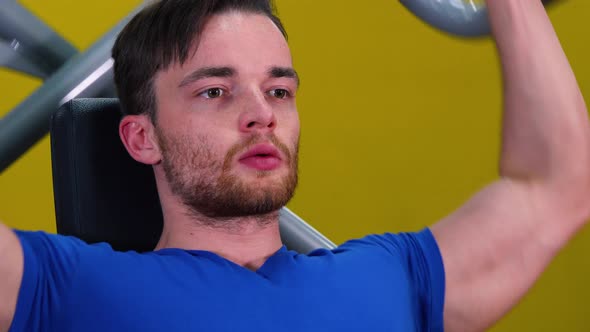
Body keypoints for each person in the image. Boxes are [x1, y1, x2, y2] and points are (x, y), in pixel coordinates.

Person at [1, 0, 588, 331]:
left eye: (279, 91)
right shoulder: (69, 290)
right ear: (140, 137)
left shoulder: (394, 279)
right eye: (215, 92)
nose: (262, 116)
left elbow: (558, 185)